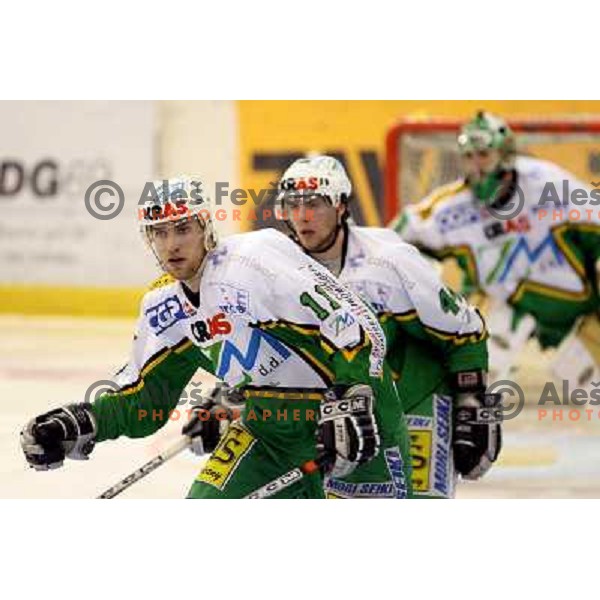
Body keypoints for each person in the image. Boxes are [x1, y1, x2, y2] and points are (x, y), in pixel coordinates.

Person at [20, 176, 411, 499]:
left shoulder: (255, 262)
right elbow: (146, 398)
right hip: (269, 431)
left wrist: (354, 398)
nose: (172, 243)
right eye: (159, 233)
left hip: (358, 424)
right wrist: (82, 422)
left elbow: (355, 327)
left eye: (182, 229)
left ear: (206, 228)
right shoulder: (163, 308)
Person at [277, 156, 499, 498]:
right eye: (293, 205)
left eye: (315, 204)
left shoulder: (389, 261)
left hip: (416, 402)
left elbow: (463, 329)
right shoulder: (278, 269)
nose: (303, 216)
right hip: (347, 411)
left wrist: (472, 398)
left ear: (340, 207)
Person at [391, 111, 600, 390]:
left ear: (505, 155)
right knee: (478, 376)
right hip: (504, 310)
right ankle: (472, 426)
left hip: (576, 310)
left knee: (590, 388)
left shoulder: (548, 184)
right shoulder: (449, 210)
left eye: (484, 155)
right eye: (469, 156)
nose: (476, 166)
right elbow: (393, 240)